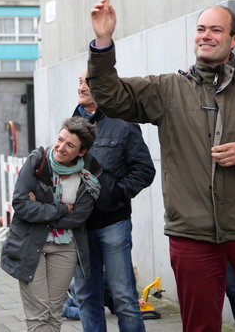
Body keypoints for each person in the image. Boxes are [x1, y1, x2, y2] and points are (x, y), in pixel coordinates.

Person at [85, 0, 235, 332]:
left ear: (234, 40)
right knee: (199, 327)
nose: (206, 35)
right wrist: (102, 42)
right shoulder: (167, 89)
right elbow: (110, 97)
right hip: (192, 234)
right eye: (201, 29)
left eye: (216, 30)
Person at [72, 70, 155, 332]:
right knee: (87, 297)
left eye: (87, 81)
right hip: (80, 226)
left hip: (113, 224)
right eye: (79, 81)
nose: (81, 86)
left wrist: (116, 194)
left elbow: (145, 170)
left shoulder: (123, 122)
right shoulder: (72, 125)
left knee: (124, 298)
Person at [1, 117, 102, 332]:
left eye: (70, 145)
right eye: (60, 139)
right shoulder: (38, 160)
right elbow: (20, 204)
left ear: (81, 152)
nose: (61, 147)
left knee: (54, 314)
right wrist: (62, 209)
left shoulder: (89, 175)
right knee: (38, 315)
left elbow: (79, 217)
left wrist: (39, 207)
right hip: (30, 245)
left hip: (65, 248)